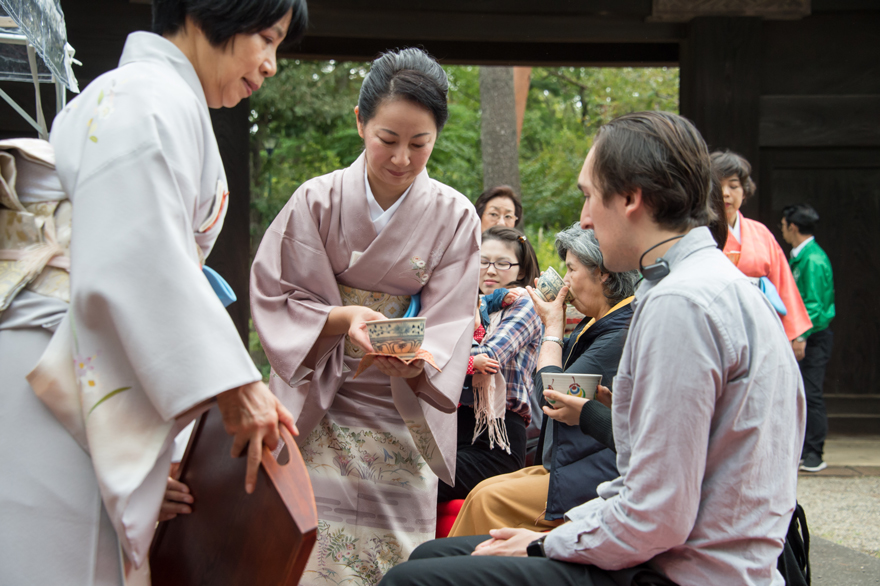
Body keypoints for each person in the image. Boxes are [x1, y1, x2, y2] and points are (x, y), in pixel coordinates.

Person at [379, 111, 805, 586]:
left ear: (630, 198)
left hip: (680, 571)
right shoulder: (717, 287)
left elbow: (658, 515)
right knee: (431, 559)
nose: (583, 218)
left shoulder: (680, 304)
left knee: (411, 579)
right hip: (683, 551)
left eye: (587, 195)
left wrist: (544, 542)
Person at [0, 1, 308, 583]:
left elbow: (146, 263)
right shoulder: (142, 93)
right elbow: (136, 248)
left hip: (77, 352)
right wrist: (234, 384)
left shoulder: (148, 95)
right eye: (266, 38)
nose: (270, 65)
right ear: (209, 13)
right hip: (52, 353)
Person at [250, 47, 482, 585]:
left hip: (401, 406)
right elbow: (276, 294)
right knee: (308, 551)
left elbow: (450, 320)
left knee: (396, 561)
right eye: (388, 139)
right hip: (317, 402)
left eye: (419, 144)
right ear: (361, 123)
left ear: (436, 138)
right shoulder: (317, 200)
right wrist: (343, 317)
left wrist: (418, 359)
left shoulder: (454, 217)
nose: (402, 158)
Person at [448, 224, 638, 536]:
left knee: (486, 499)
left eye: (572, 269)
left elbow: (553, 395)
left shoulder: (619, 332)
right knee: (482, 493)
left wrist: (552, 326)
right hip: (569, 463)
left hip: (595, 475)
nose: (565, 280)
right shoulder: (599, 322)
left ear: (603, 273)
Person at [438, 226, 542, 503]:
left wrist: (447, 344)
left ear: (520, 271)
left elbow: (490, 355)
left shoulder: (525, 305)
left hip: (496, 440)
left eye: (503, 263)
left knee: (419, 479)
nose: (491, 270)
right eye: (483, 261)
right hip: (452, 430)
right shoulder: (468, 304)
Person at [714, 150, 812, 352]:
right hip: (715, 324)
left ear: (744, 190)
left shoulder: (760, 232)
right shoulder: (699, 231)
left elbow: (782, 282)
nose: (726, 193)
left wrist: (796, 333)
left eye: (733, 186)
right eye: (718, 186)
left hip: (761, 326)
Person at [782, 203, 835, 472]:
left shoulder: (812, 259)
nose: (782, 230)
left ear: (793, 226)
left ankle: (815, 451)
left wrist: (800, 335)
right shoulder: (801, 255)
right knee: (801, 392)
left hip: (812, 336)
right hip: (804, 334)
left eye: (783, 225)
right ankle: (804, 448)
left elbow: (814, 304)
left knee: (811, 393)